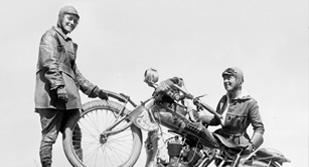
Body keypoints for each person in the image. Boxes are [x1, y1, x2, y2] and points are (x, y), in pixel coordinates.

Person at [34, 5, 109, 167]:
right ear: (60, 17)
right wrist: (58, 86)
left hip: (69, 99)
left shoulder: (69, 43)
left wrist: (95, 91)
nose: (72, 23)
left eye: (75, 21)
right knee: (49, 136)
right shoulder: (50, 36)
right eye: (69, 19)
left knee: (74, 137)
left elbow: (76, 74)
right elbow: (49, 63)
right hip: (51, 97)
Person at [143, 68, 218, 167]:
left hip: (185, 119)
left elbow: (179, 82)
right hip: (182, 122)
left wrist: (187, 96)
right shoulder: (159, 92)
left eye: (148, 78)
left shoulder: (165, 84)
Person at [197, 67, 265, 165]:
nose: (225, 81)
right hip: (221, 139)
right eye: (224, 78)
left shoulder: (250, 103)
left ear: (239, 80)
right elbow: (216, 120)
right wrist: (199, 117)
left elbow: (259, 128)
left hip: (236, 145)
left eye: (229, 78)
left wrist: (252, 146)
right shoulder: (224, 99)